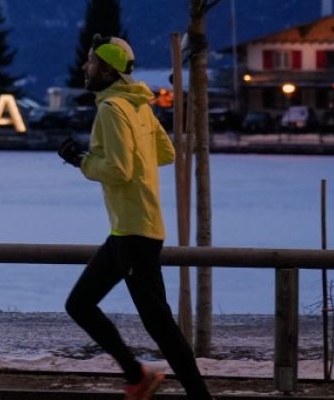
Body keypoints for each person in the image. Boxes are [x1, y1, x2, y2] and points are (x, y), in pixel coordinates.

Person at [56, 34, 211, 399]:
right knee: (79, 304)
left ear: (107, 69)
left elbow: (120, 170)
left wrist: (83, 161)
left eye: (91, 62)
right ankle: (137, 374)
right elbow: (167, 153)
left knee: (159, 323)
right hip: (135, 227)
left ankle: (195, 394)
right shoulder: (139, 105)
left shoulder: (111, 108)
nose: (85, 66)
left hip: (132, 232)